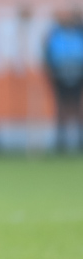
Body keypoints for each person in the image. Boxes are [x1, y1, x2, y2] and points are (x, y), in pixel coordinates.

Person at [43, 9, 83, 153]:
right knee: (61, 108)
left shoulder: (79, 33)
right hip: (59, 75)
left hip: (78, 74)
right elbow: (48, 55)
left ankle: (79, 141)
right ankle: (61, 142)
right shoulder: (55, 34)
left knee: (77, 107)